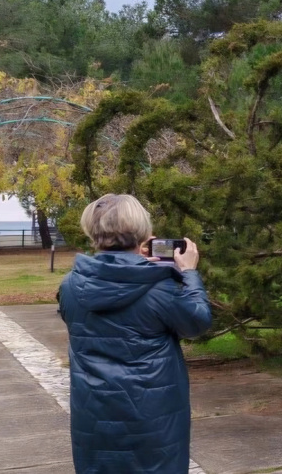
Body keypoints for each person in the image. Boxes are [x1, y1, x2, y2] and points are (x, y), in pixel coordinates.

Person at [59, 194, 212, 473]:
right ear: (142, 233)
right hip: (153, 414)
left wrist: (137, 268)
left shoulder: (70, 285)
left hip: (93, 411)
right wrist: (188, 273)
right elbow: (197, 322)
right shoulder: (159, 286)